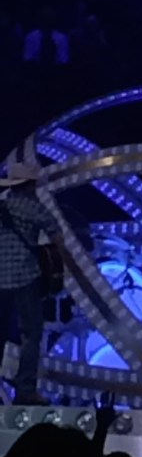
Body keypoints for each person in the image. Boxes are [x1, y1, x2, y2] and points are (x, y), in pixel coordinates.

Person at [0, 161, 63, 404]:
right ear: (30, 185)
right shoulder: (33, 206)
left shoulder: (2, 206)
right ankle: (26, 388)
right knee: (31, 334)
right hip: (26, 278)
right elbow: (57, 235)